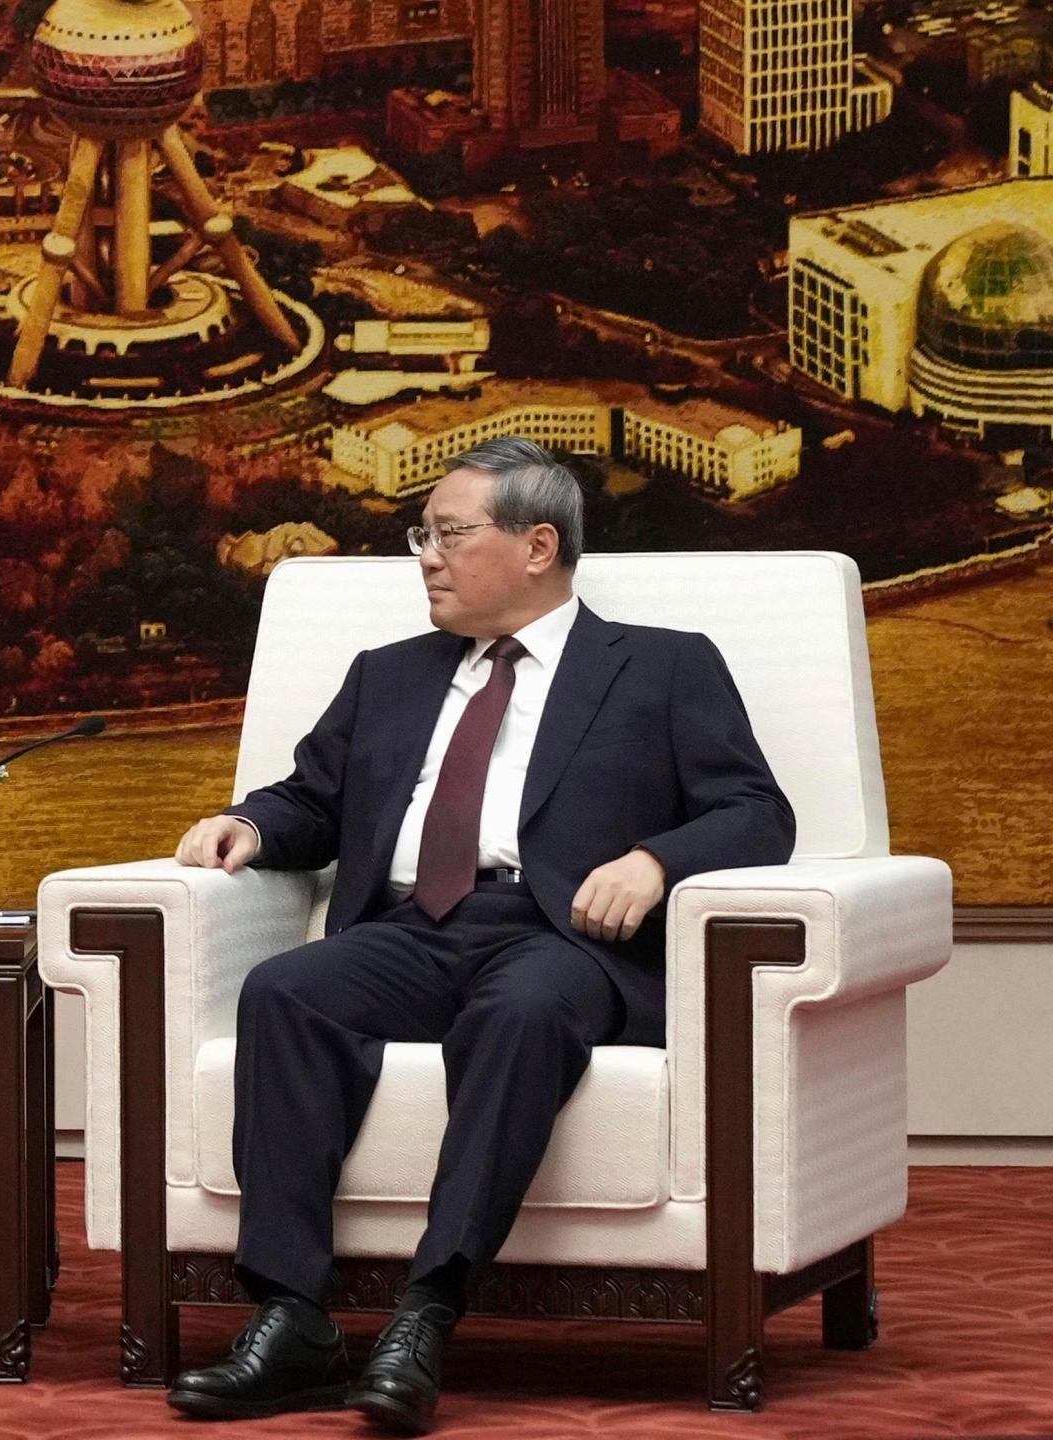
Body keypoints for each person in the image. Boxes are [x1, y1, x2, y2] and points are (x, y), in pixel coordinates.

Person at [166, 437, 795, 1434]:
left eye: (447, 534)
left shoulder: (663, 667)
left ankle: (427, 1312)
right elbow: (310, 800)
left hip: (562, 940)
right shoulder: (389, 675)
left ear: (537, 544)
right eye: (422, 535)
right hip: (415, 928)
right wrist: (249, 824)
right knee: (286, 990)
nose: (425, 554)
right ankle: (293, 1319)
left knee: (523, 1010)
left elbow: (756, 813)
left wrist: (654, 861)